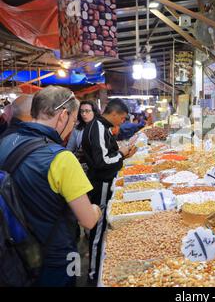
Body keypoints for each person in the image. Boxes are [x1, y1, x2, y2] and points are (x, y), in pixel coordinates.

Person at [0, 86, 102, 287]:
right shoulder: (62, 158)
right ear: (63, 116)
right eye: (73, 121)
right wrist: (97, 210)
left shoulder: (4, 142)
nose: (72, 127)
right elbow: (88, 221)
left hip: (13, 255)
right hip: (55, 258)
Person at [82, 98, 137, 284]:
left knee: (101, 227)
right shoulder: (97, 127)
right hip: (101, 184)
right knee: (99, 229)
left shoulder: (101, 126)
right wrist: (121, 154)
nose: (123, 122)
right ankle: (94, 274)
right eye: (122, 118)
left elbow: (106, 155)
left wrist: (122, 154)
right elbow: (102, 162)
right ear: (113, 114)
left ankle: (96, 270)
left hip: (104, 181)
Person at [66, 100, 100, 170]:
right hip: (82, 167)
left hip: (99, 166)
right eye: (81, 111)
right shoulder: (77, 129)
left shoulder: (101, 128)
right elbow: (69, 149)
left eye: (87, 111)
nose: (84, 114)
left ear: (94, 112)